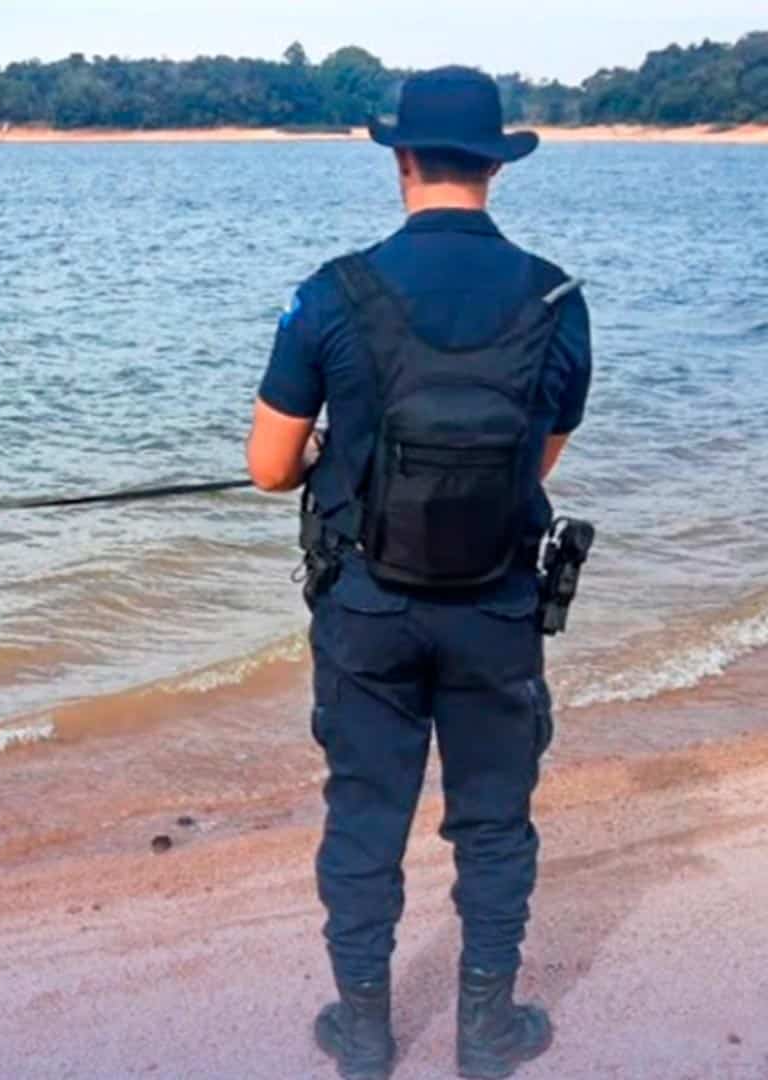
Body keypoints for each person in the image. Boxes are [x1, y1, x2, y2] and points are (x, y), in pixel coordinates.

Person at [245, 67, 592, 1080]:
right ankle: (486, 1035)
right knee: (494, 820)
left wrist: (340, 459)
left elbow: (270, 470)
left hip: (366, 608)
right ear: (494, 166)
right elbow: (537, 462)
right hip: (496, 605)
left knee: (364, 817)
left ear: (399, 160)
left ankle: (364, 1034)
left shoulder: (331, 292)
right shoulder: (557, 299)